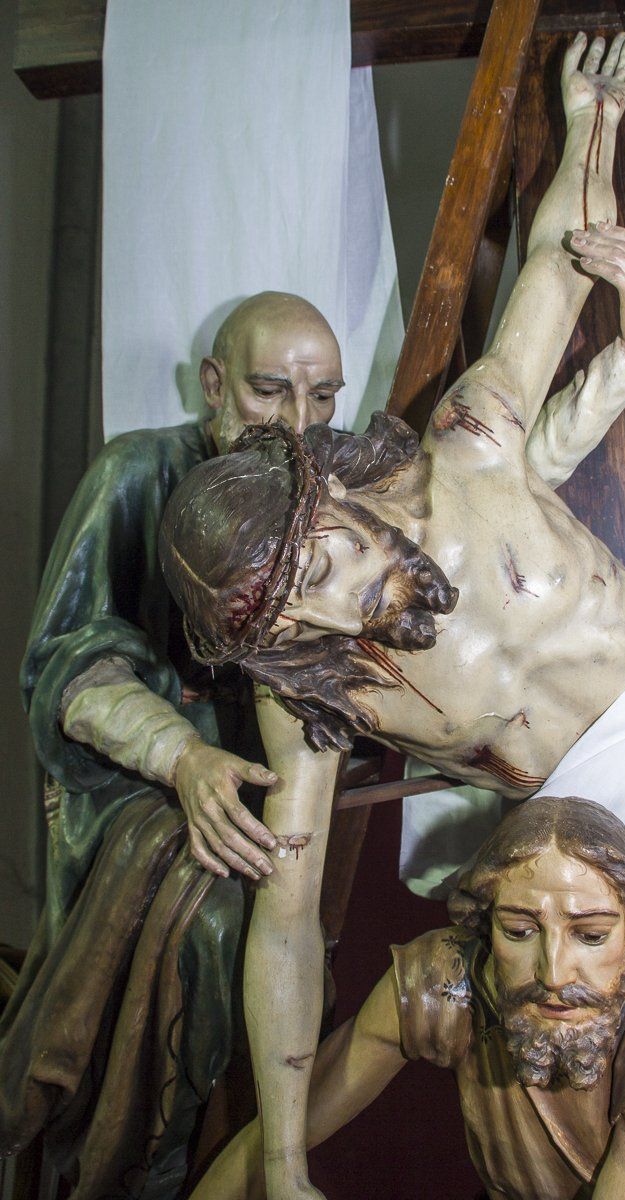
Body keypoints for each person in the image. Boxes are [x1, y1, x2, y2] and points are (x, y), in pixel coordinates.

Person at [159, 33, 625, 1199]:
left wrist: (587, 117)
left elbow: (550, 269)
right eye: (305, 615)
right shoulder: (318, 691)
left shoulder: (470, 449)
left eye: (335, 562)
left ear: (328, 488)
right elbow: (286, 923)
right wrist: (288, 1162)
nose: (346, 608)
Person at [0, 292, 350, 1199]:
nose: (298, 425)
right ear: (213, 385)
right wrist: (182, 758)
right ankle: (142, 1165)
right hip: (135, 788)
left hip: (272, 795)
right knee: (217, 928)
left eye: (322, 398)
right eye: (271, 391)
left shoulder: (334, 501)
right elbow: (68, 666)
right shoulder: (135, 473)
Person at [189, 797, 625, 1200]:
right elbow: (279, 1137)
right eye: (519, 931)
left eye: (591, 935)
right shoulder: (449, 982)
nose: (553, 973)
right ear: (485, 929)